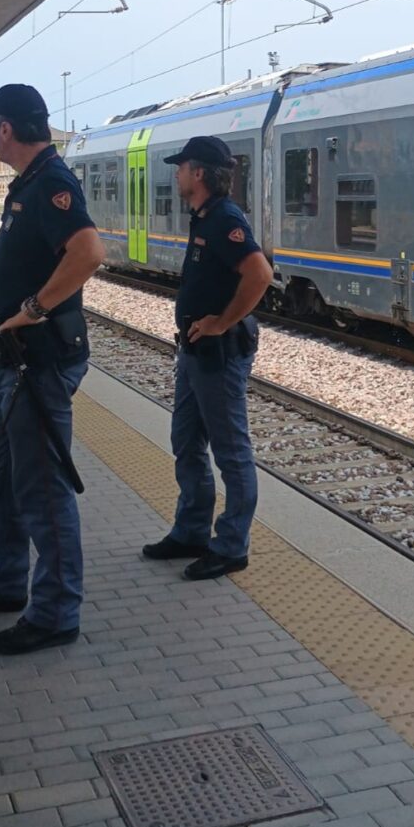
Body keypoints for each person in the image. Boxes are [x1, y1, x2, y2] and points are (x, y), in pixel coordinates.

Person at [0, 84, 104, 655]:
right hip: (12, 364)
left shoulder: (52, 183)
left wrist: (33, 309)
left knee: (41, 489)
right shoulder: (31, 184)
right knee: (2, 478)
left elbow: (88, 252)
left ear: (5, 128)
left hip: (39, 364)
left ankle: (57, 613)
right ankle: (4, 581)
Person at [142, 136, 272, 580]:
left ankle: (231, 546)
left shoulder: (224, 218)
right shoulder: (203, 217)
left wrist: (220, 321)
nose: (176, 173)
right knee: (186, 440)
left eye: (181, 167)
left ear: (198, 173)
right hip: (195, 351)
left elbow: (259, 274)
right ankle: (192, 531)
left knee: (231, 452)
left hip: (218, 353)